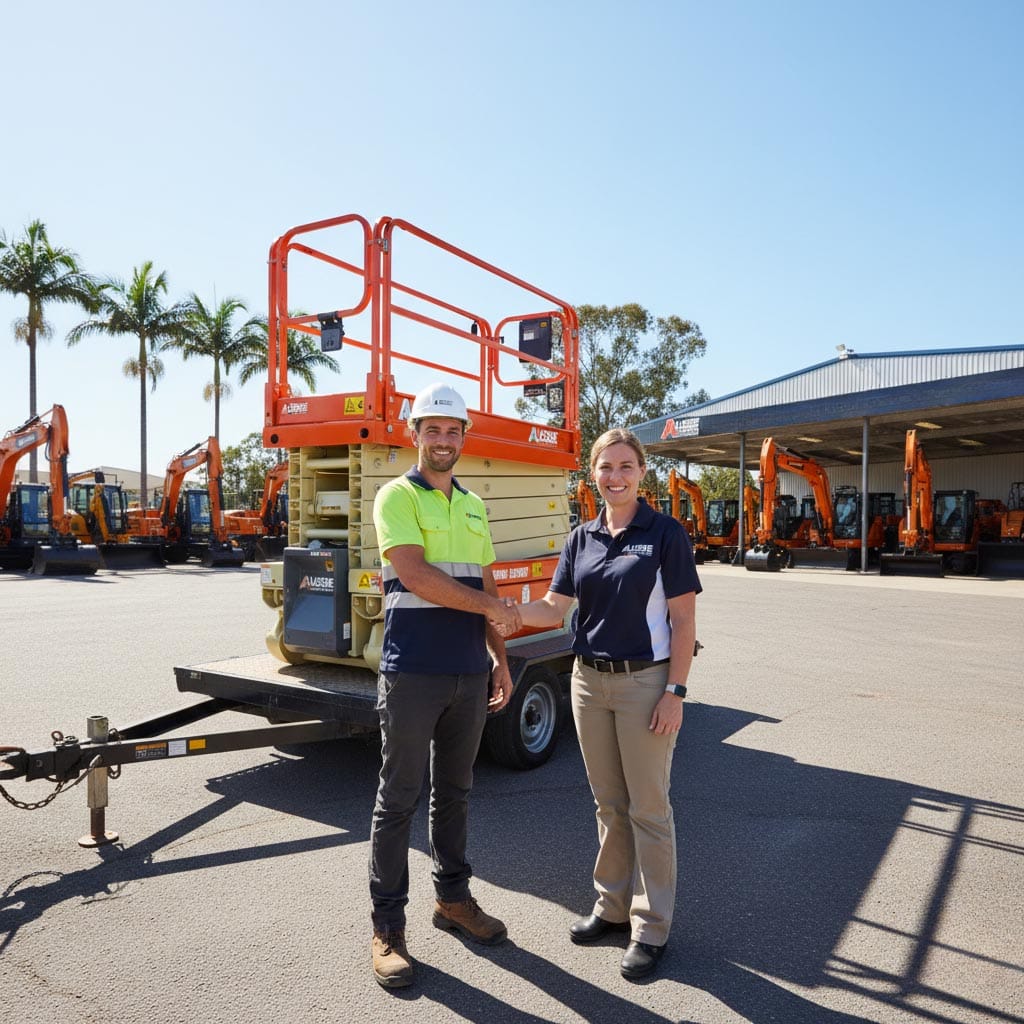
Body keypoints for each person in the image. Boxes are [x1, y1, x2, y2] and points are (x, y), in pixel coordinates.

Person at [513, 428, 701, 980]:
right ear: (590, 475)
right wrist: (499, 611)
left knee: (648, 807)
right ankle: (612, 907)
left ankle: (651, 926)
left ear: (641, 471)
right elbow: (553, 609)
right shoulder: (582, 537)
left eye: (625, 466)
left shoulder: (665, 534)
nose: (615, 477)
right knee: (607, 804)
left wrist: (676, 692)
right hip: (587, 684)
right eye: (605, 467)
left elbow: (684, 621)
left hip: (646, 684)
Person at [368, 382, 522, 990]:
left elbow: (482, 585)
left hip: (468, 672)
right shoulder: (396, 497)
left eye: (452, 430)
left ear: (464, 439)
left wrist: (501, 658)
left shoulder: (475, 506)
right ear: (415, 434)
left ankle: (452, 902)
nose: (442, 439)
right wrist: (493, 606)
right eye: (432, 429)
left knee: (455, 792)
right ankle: (387, 929)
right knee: (398, 798)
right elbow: (415, 575)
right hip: (412, 673)